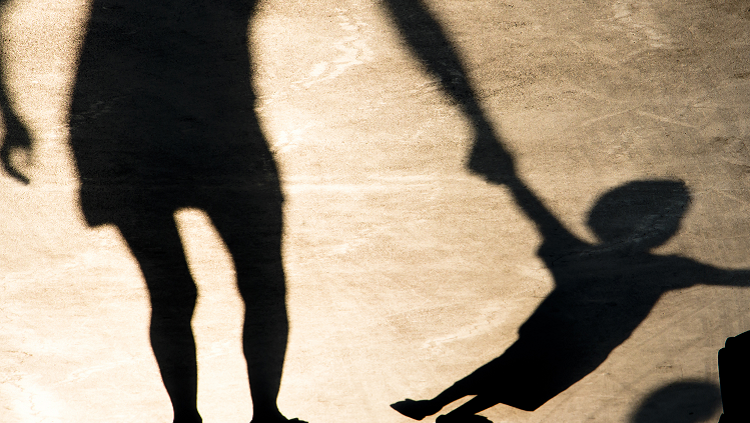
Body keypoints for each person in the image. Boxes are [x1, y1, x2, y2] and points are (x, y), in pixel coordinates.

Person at [2, 1, 304, 422]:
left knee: (183, 291)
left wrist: (10, 113)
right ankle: (256, 414)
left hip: (137, 130)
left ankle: (205, 416)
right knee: (251, 284)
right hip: (185, 127)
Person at [392, 175, 750, 422]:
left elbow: (538, 215)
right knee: (505, 377)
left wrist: (511, 179)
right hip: (571, 346)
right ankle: (438, 407)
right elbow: (731, 277)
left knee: (508, 379)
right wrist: (512, 180)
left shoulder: (600, 258)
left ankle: (446, 410)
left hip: (565, 345)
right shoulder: (662, 269)